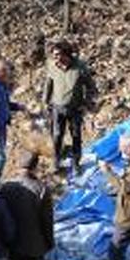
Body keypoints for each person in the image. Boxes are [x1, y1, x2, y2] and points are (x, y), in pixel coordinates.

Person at [43, 38, 96, 178]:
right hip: (57, 107)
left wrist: (86, 104)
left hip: (75, 109)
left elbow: (91, 87)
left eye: (57, 55)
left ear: (66, 54)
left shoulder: (80, 67)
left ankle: (76, 163)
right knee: (57, 135)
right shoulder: (52, 65)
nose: (55, 58)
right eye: (53, 55)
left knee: (76, 136)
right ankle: (56, 160)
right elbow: (48, 84)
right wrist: (45, 101)